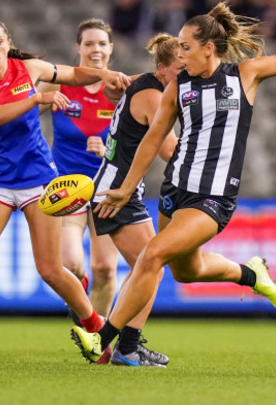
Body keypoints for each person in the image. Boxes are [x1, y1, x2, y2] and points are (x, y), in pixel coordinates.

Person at [71, 1, 276, 363]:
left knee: (152, 255)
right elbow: (153, 139)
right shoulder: (179, 85)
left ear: (208, 48)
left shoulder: (244, 75)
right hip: (174, 191)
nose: (179, 53)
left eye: (185, 46)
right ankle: (250, 273)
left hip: (212, 198)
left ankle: (105, 340)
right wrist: (125, 187)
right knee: (186, 270)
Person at [0, 17, 131, 362]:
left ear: (7, 42)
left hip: (39, 180)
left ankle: (96, 329)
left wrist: (103, 75)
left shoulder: (29, 68)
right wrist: (37, 99)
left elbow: (75, 74)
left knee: (51, 269)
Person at [88, 33, 182, 367]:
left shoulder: (146, 84)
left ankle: (124, 345)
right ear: (161, 69)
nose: (185, 76)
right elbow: (170, 150)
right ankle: (121, 346)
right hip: (115, 194)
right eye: (179, 69)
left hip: (119, 191)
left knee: (148, 268)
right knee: (151, 267)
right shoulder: (153, 96)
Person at [37, 19, 120, 321]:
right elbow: (23, 121)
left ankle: (97, 339)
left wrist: (109, 149)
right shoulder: (60, 82)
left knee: (105, 268)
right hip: (67, 186)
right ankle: (84, 307)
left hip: (108, 187)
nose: (95, 49)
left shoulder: (121, 90)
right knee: (70, 263)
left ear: (111, 49)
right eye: (89, 44)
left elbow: (142, 145)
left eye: (101, 44)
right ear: (78, 48)